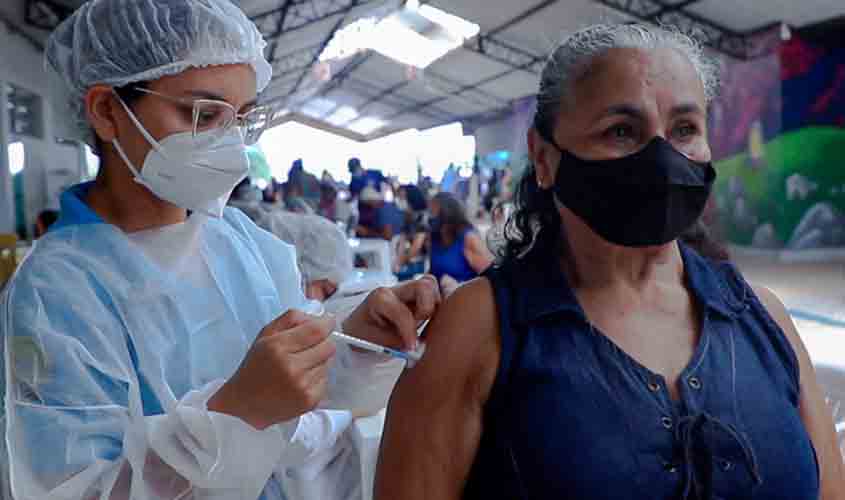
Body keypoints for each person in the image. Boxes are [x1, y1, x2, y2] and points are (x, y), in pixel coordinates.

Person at [376, 24, 844, 500]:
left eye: (685, 129)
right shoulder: (481, 329)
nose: (662, 159)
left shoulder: (762, 318)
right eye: (621, 131)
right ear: (544, 158)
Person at [0, 2, 440, 499]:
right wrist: (237, 414)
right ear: (106, 111)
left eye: (241, 119)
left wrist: (354, 342)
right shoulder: (55, 292)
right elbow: (75, 489)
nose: (229, 144)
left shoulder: (241, 242)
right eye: (203, 115)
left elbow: (296, 403)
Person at [428, 192, 493, 294]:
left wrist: (460, 287)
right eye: (430, 211)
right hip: (440, 300)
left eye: (434, 212)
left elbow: (491, 281)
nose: (431, 216)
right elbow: (434, 271)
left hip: (466, 299)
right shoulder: (435, 239)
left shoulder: (468, 239)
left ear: (448, 213)